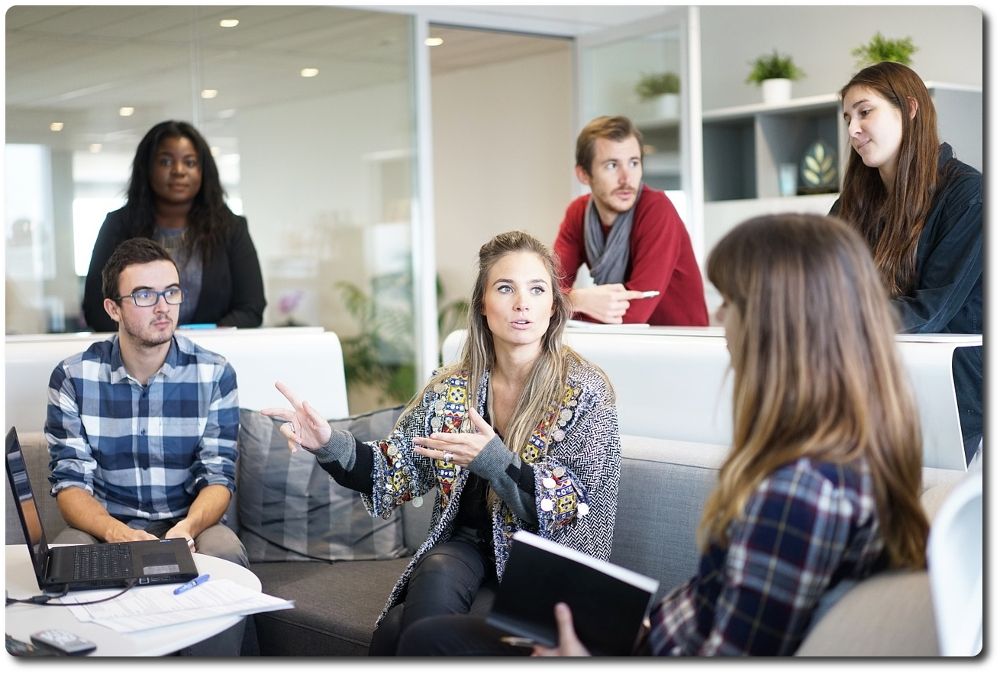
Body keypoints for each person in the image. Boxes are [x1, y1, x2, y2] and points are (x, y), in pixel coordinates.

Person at [398, 214, 929, 657]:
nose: (720, 319)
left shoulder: (799, 492)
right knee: (424, 632)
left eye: (732, 303)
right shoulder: (836, 459)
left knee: (429, 644)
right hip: (646, 637)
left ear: (778, 325)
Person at [262, 230, 622, 656]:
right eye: (505, 288)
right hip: (467, 548)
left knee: (399, 628)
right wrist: (326, 443)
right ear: (483, 306)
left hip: (546, 565)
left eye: (537, 289)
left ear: (553, 307)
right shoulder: (453, 388)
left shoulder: (585, 391)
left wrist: (494, 461)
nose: (522, 303)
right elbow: (391, 470)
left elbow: (576, 509)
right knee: (434, 571)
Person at [46, 237, 249, 654]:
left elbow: (219, 476)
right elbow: (70, 485)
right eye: (144, 294)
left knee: (225, 551)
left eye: (171, 292)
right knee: (64, 553)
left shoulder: (214, 374)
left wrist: (186, 531)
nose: (163, 306)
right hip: (106, 525)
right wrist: (117, 533)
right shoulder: (73, 377)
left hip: (189, 523)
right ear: (113, 308)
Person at [832, 61, 982, 465]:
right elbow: (821, 288)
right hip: (869, 384)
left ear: (910, 109)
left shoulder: (970, 195)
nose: (852, 130)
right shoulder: (850, 206)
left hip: (951, 395)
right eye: (848, 118)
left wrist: (833, 319)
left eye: (865, 112)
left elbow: (929, 311)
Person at [82, 120, 266, 332]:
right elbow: (96, 309)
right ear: (147, 168)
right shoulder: (118, 226)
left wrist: (199, 341)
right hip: (137, 357)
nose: (179, 171)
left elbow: (251, 308)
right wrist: (150, 338)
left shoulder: (231, 228)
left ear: (203, 171)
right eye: (166, 162)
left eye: (190, 162)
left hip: (212, 355)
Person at [552, 115, 708, 326]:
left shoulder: (656, 209)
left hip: (680, 346)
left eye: (634, 163)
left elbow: (632, 315)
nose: (627, 178)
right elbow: (547, 291)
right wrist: (577, 299)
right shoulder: (578, 213)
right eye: (611, 165)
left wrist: (565, 304)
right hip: (624, 344)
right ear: (583, 174)